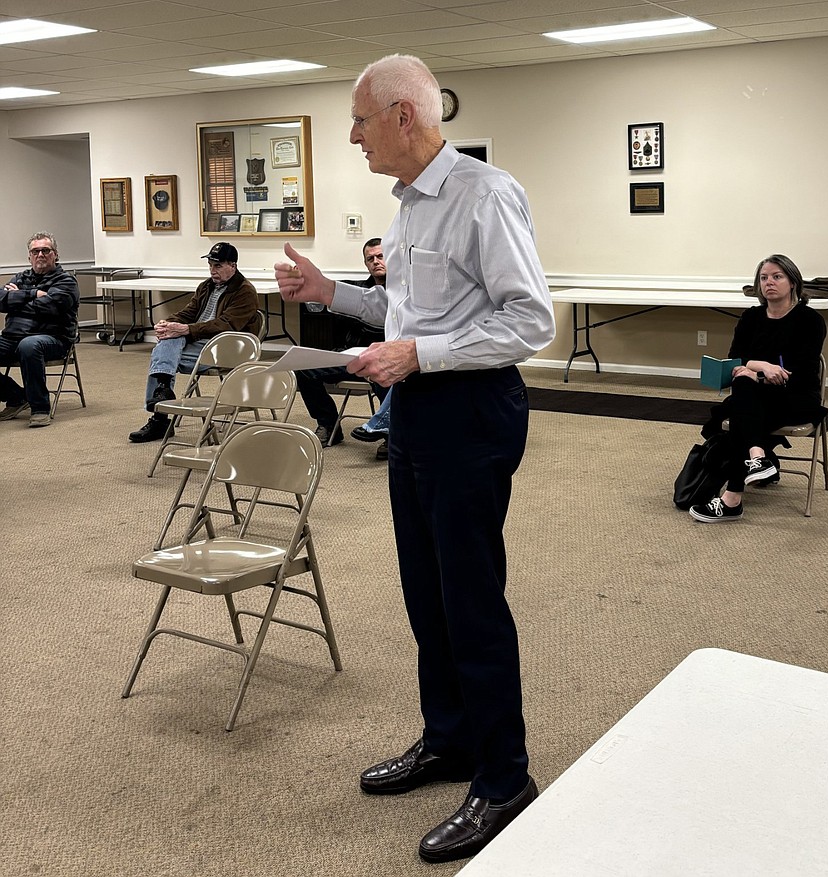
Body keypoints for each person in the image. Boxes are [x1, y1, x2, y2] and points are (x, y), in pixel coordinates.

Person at [274, 53, 554, 864]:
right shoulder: (407, 205)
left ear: (404, 115)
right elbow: (405, 310)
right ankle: (451, 741)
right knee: (425, 596)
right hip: (424, 412)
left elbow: (529, 321)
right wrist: (333, 295)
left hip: (471, 411)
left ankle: (505, 780)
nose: (352, 135)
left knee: (470, 601)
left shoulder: (484, 194)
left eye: (361, 119)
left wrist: (420, 356)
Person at [689, 254, 827, 522]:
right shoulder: (751, 318)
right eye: (764, 278)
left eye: (777, 277)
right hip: (755, 396)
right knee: (743, 387)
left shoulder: (810, 321)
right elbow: (735, 360)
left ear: (792, 283)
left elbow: (802, 371)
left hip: (796, 397)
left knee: (742, 410)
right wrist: (763, 366)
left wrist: (754, 373)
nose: (769, 283)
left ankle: (734, 497)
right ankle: (757, 458)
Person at [128, 243, 262, 443]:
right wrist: (169, 324)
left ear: (232, 266)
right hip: (199, 342)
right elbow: (189, 313)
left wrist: (186, 330)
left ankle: (160, 417)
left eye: (217, 266)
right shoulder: (206, 286)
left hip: (226, 347)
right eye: (210, 265)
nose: (212, 271)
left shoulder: (245, 291)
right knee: (167, 342)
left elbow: (225, 325)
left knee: (164, 353)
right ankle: (163, 394)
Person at [294, 237, 387, 447]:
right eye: (370, 258)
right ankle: (328, 424)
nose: (375, 261)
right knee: (306, 369)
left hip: (383, 360)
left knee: (389, 377)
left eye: (380, 256)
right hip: (353, 356)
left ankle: (390, 432)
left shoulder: (404, 293)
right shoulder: (359, 292)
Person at [0, 232, 80, 428]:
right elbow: (1, 300)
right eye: (35, 251)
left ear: (55, 255)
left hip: (54, 339)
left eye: (46, 250)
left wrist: (16, 300)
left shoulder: (66, 282)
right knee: (25, 344)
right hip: (12, 337)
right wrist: (32, 293)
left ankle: (40, 408)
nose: (40, 255)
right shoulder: (21, 278)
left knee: (29, 345)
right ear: (29, 256)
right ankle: (17, 397)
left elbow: (49, 307)